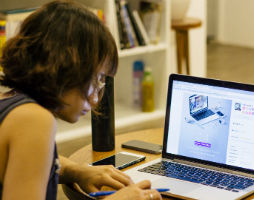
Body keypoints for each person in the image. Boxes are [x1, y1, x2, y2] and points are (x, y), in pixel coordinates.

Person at [0, 1, 161, 200]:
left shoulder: (11, 102)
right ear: (68, 67)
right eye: (98, 78)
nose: (95, 98)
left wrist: (77, 171)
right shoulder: (35, 120)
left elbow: (30, 162)